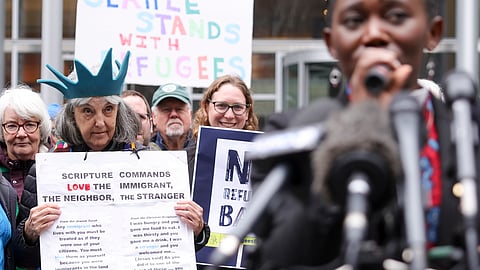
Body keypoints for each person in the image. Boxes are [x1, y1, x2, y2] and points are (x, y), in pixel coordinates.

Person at [245, 0, 464, 269]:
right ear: (332, 42)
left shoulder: (465, 134)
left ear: (432, 32)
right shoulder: (292, 133)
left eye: (396, 16)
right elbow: (276, 257)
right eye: (354, 21)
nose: (374, 34)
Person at [16, 48, 210, 268]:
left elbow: (177, 249)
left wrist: (198, 230)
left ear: (120, 112)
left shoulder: (150, 163)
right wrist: (29, 232)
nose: (100, 122)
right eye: (88, 111)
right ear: (72, 116)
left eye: (108, 109)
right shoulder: (47, 171)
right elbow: (23, 258)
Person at [188, 74, 259, 181]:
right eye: (221, 106)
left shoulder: (262, 161)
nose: (229, 115)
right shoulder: (185, 160)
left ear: (247, 112)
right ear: (206, 108)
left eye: (238, 107)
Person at [0, 86, 51, 202]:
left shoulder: (58, 166)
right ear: (2, 131)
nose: (21, 134)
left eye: (30, 125)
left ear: (41, 129)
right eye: (12, 126)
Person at [150, 83, 193, 151]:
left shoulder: (205, 149)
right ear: (154, 117)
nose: (174, 115)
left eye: (179, 109)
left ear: (190, 115)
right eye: (166, 110)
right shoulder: (144, 153)